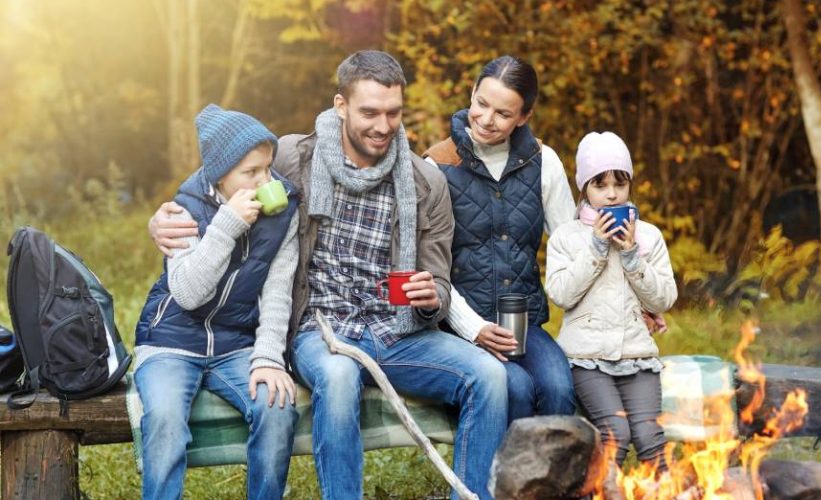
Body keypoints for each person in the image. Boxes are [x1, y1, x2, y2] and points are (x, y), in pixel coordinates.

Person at [149, 51, 507, 500]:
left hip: (394, 330)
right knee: (338, 376)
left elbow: (437, 276)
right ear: (341, 105)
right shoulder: (292, 157)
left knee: (490, 376)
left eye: (393, 113)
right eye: (369, 112)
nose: (382, 125)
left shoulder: (425, 183)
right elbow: (219, 177)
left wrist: (430, 295)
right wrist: (162, 218)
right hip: (319, 328)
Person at [134, 104, 300, 499]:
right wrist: (227, 225)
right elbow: (190, 294)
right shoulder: (183, 209)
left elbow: (278, 291)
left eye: (268, 168)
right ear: (220, 175)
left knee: (277, 409)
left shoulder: (284, 211)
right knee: (165, 417)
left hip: (235, 344)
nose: (265, 181)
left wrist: (268, 358)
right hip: (170, 342)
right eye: (251, 172)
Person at [423, 55, 577, 423]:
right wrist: (473, 330)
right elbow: (431, 267)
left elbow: (572, 247)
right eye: (481, 104)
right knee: (516, 390)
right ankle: (507, 481)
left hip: (524, 325)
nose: (486, 120)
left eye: (503, 114)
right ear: (472, 93)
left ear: (523, 117)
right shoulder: (436, 166)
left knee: (559, 388)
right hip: (460, 328)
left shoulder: (544, 161)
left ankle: (554, 480)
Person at [545, 131, 678, 472]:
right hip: (585, 359)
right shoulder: (567, 237)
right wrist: (597, 248)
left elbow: (665, 297)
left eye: (620, 184)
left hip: (637, 357)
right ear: (584, 189)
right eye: (600, 185)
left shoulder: (648, 236)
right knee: (615, 433)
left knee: (650, 438)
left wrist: (633, 255)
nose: (612, 194)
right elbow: (560, 294)